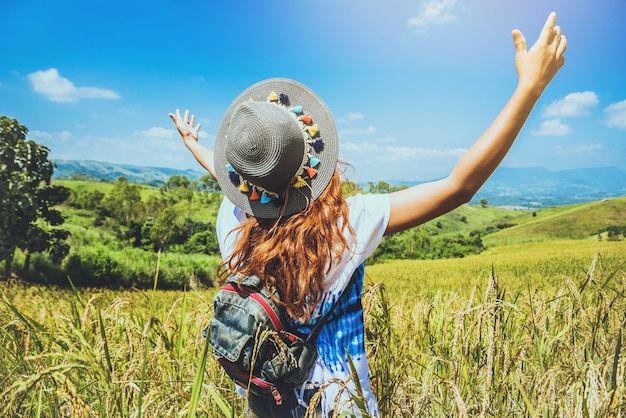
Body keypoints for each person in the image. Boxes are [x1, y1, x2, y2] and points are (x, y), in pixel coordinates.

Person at [169, 12, 566, 417]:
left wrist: (192, 144)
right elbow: (458, 186)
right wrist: (529, 88)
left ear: (243, 179)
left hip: (266, 401)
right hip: (338, 406)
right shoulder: (343, 229)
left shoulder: (231, 221)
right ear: (312, 157)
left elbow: (224, 176)